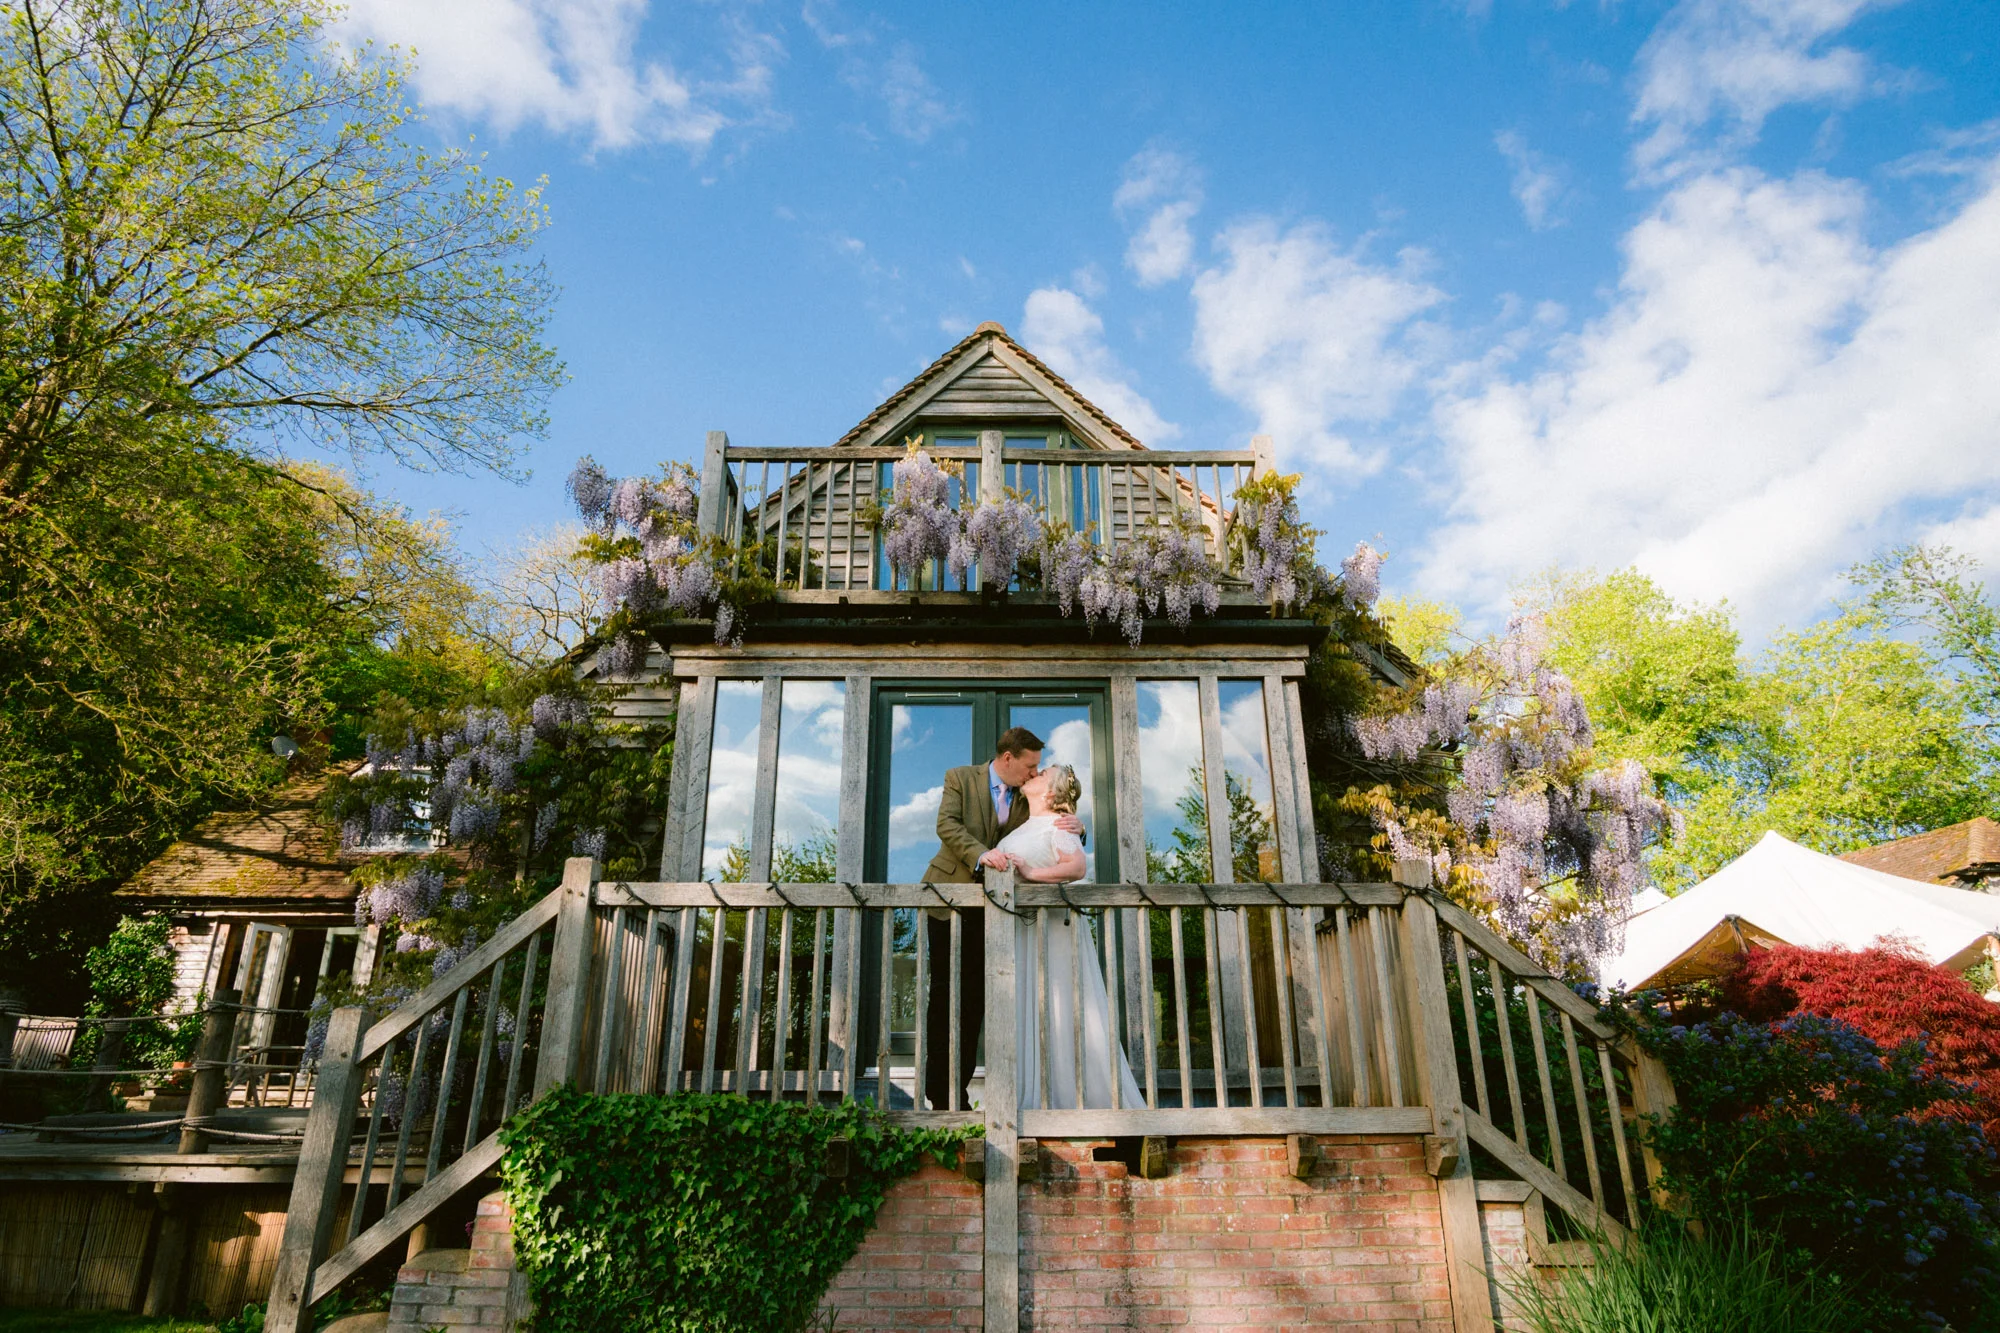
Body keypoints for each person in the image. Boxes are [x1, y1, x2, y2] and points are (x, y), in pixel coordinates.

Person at [921, 727, 1081, 1111]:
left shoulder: (1027, 796)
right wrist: (981, 854)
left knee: (976, 999)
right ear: (1008, 758)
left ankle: (961, 1094)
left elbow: (1048, 822)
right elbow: (947, 826)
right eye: (1030, 765)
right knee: (945, 996)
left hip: (993, 912)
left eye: (1037, 768)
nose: (1032, 773)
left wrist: (1079, 825)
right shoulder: (959, 778)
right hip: (948, 901)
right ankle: (940, 1096)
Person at [999, 764, 1144, 1110]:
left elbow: (1077, 867)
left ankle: (1073, 1098)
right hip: (1023, 934)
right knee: (1031, 1008)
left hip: (1053, 935)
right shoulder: (1024, 823)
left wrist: (1032, 872)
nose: (1035, 772)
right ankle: (1032, 1095)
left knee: (1060, 1007)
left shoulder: (1060, 825)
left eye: (1043, 771)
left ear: (1050, 792)